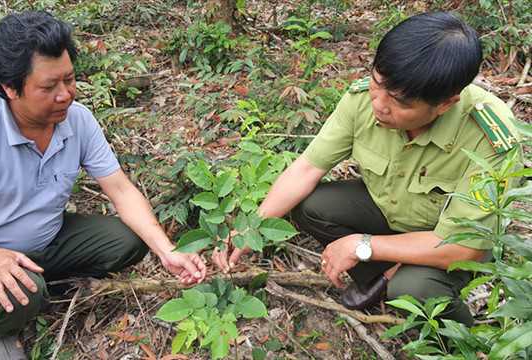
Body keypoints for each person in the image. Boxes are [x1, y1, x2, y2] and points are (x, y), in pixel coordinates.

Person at [213, 11, 521, 326]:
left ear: (444, 104)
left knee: (413, 290)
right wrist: (249, 230)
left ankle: (461, 339)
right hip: (389, 212)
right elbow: (306, 169)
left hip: (445, 241)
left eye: (400, 102)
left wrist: (362, 246)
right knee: (309, 205)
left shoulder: (489, 136)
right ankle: (386, 272)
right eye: (377, 82)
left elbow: (462, 248)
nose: (379, 104)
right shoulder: (363, 99)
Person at [0, 11, 206, 359]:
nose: (65, 95)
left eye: (70, 80)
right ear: (10, 88)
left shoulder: (77, 121)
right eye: (48, 87)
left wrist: (166, 250)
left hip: (48, 238)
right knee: (23, 294)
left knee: (128, 240)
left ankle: (38, 281)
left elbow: (120, 189)